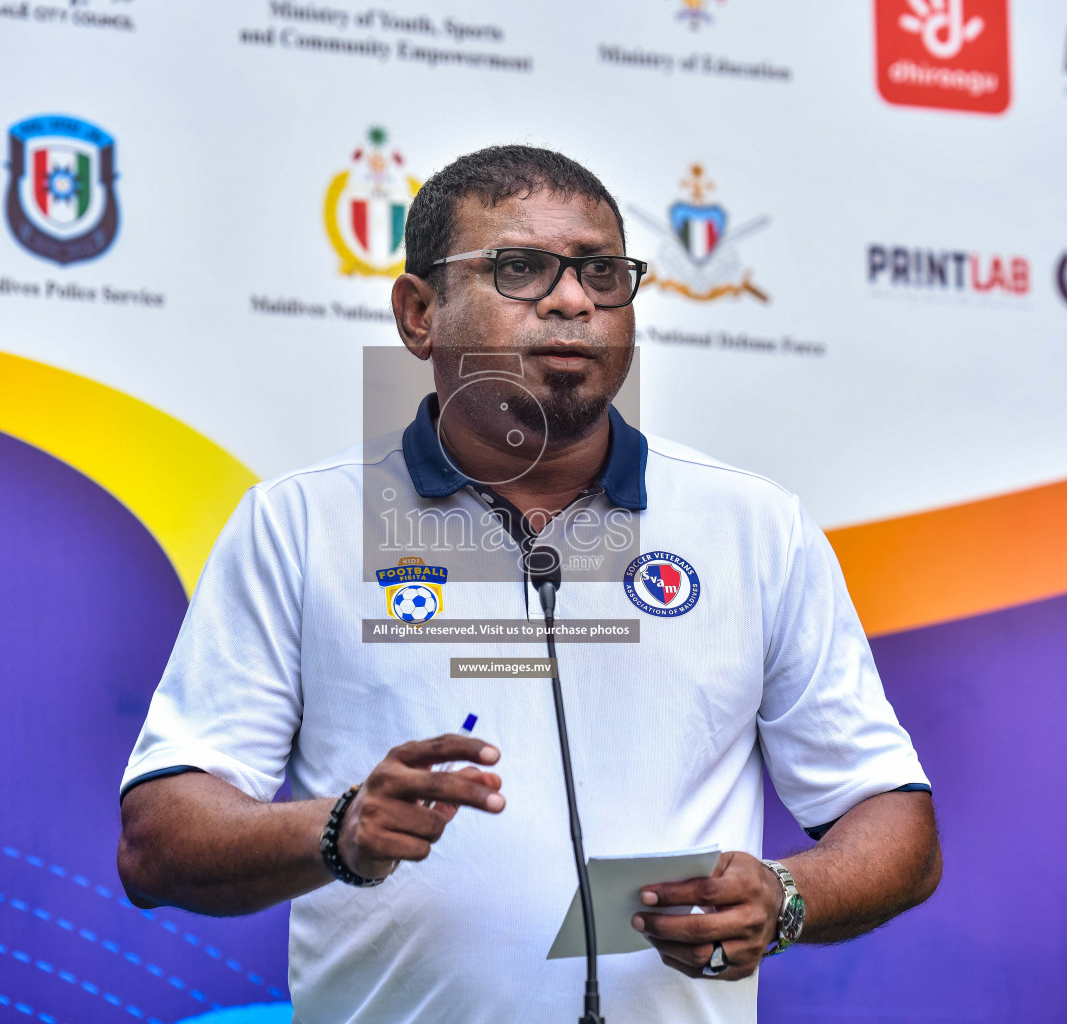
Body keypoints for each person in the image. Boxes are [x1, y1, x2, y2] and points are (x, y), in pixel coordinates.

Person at [117, 145, 940, 1022]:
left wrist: (786, 896)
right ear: (418, 313)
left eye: (600, 271)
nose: (573, 299)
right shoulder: (299, 523)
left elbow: (892, 822)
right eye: (521, 268)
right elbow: (159, 838)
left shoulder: (753, 526)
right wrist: (341, 829)